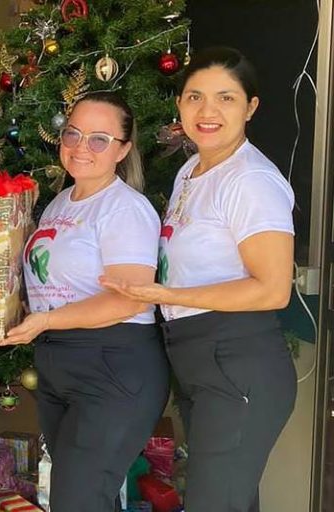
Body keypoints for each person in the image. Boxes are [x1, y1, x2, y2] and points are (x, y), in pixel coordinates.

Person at [101, 47, 296, 512]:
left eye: (226, 98)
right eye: (195, 97)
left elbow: (273, 289)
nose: (208, 112)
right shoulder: (193, 170)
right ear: (180, 104)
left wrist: (169, 295)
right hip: (198, 361)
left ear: (250, 107)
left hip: (237, 361)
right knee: (226, 499)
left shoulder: (251, 181)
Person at [0, 91, 169, 511]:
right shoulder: (60, 203)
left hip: (111, 367)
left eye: (99, 139)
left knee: (77, 501)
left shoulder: (125, 209)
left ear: (123, 149)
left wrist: (44, 321)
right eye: (72, 133)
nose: (80, 147)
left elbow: (129, 300)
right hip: (61, 365)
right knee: (85, 500)